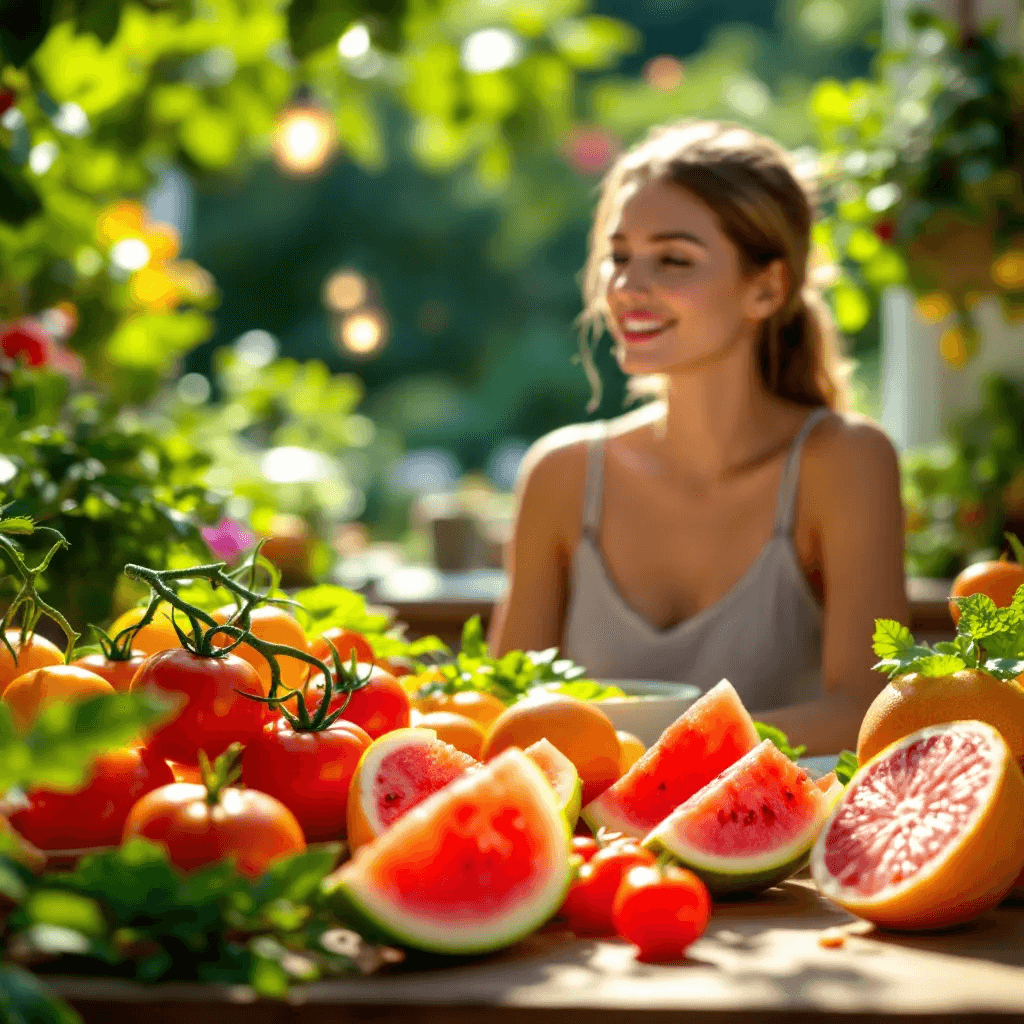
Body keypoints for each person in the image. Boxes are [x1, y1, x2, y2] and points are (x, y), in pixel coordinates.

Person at [487, 120, 910, 755]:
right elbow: (506, 710)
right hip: (589, 824)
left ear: (766, 289)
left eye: (674, 259)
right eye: (619, 257)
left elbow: (866, 712)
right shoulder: (561, 475)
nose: (627, 288)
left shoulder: (845, 462)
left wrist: (648, 761)